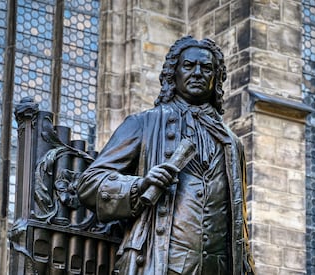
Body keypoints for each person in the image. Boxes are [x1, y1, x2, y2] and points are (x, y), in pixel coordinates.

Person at [77, 36, 255, 275]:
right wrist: (140, 185)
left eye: (207, 68)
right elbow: (89, 183)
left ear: (216, 77)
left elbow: (239, 223)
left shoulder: (233, 143)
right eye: (189, 66)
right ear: (174, 73)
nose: (198, 73)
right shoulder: (144, 123)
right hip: (157, 261)